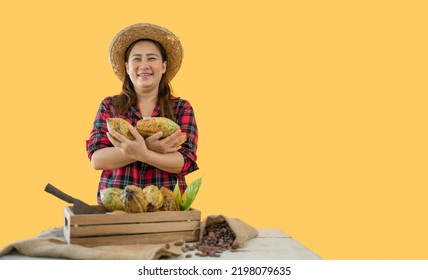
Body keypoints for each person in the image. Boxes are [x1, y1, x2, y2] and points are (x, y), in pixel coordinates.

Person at [86, 23, 198, 204]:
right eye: (137, 59)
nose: (143, 65)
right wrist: (148, 147)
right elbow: (98, 159)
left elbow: (183, 162)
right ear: (127, 67)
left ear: (163, 66)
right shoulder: (110, 106)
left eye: (151, 58)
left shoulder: (181, 108)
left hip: (166, 210)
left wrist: (143, 153)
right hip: (117, 209)